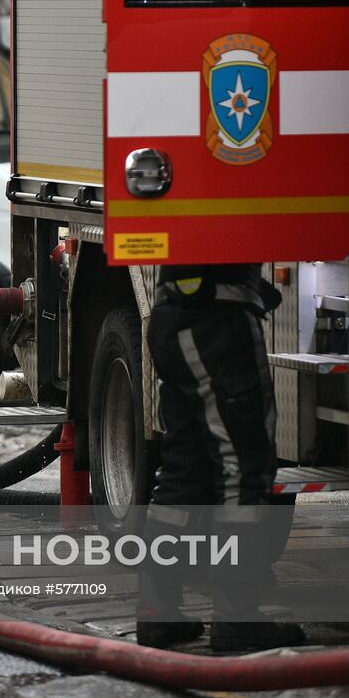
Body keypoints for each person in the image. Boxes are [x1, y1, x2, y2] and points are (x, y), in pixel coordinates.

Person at [135, 262, 305, 653]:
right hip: (216, 320)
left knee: (184, 469)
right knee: (242, 467)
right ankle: (236, 615)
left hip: (177, 314)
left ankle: (158, 613)